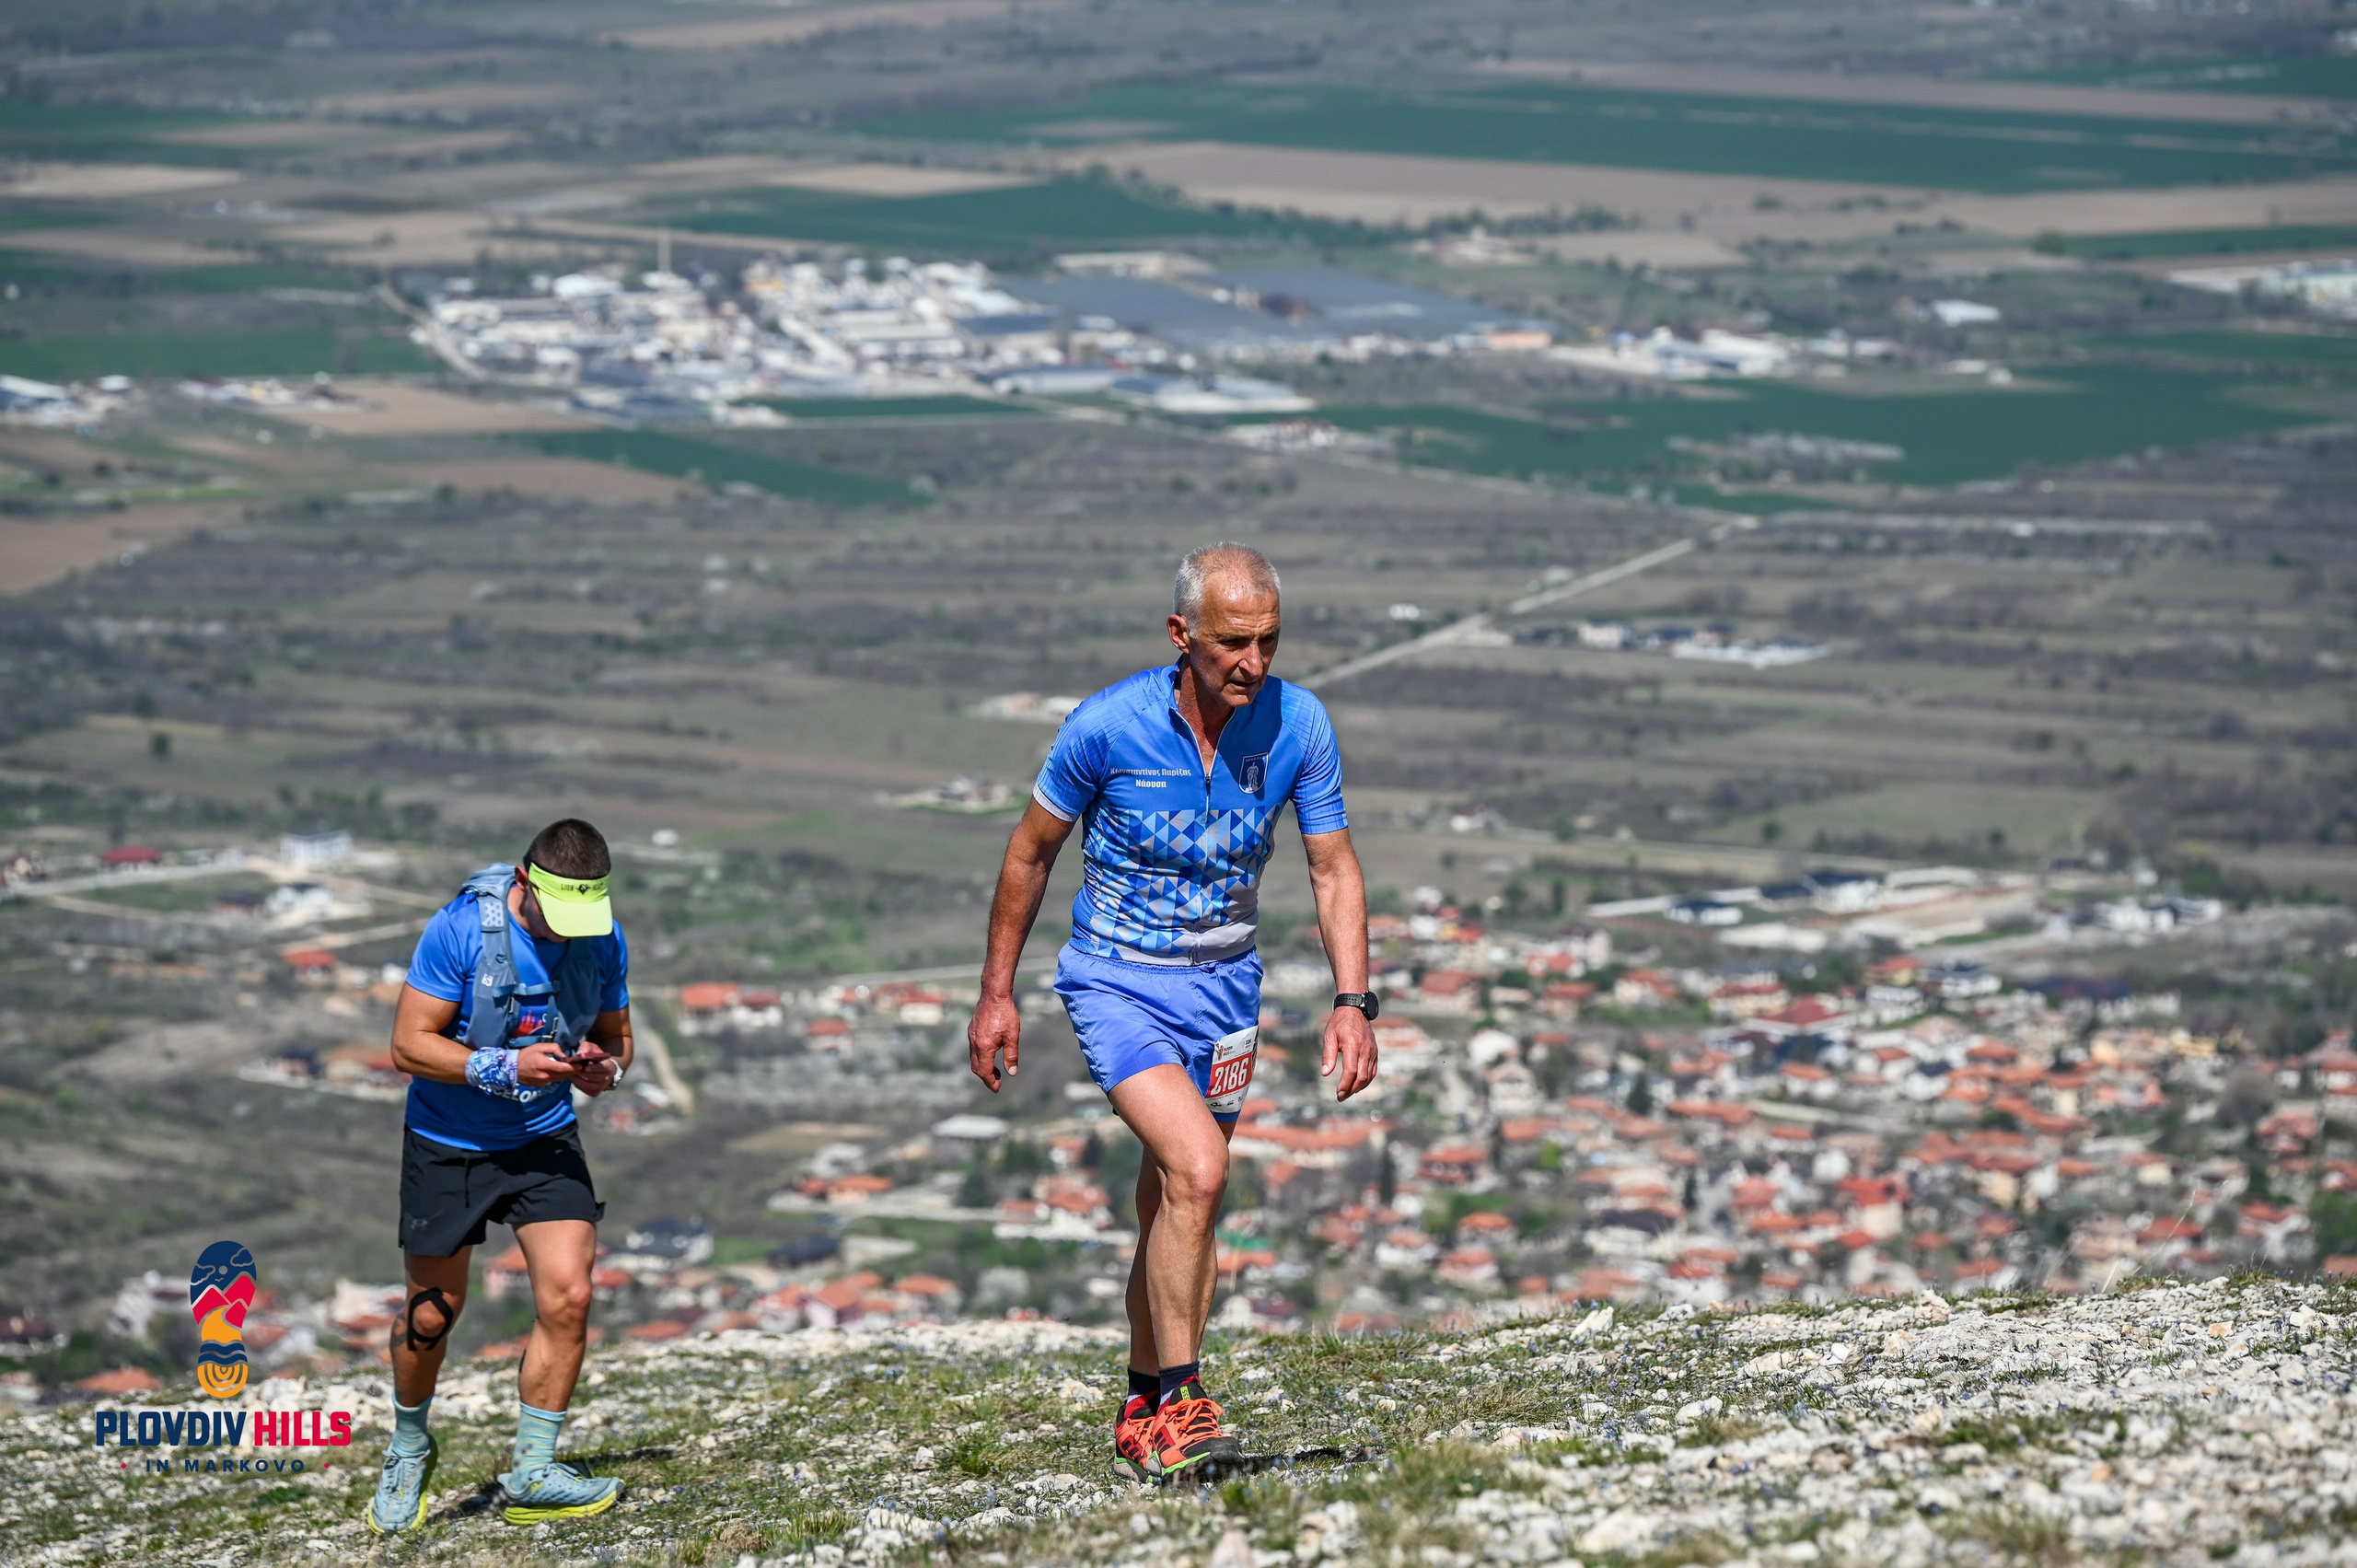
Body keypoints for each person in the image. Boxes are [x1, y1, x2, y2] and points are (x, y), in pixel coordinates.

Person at [967, 542, 1380, 1481]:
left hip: (1226, 990)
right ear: (1180, 634)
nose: (1255, 662)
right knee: (1200, 1168)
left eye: (1269, 640)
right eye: (1234, 642)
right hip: (1116, 980)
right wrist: (997, 993)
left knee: (1170, 1197)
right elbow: (1029, 852)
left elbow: (1332, 865)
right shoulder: (1106, 727)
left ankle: (1140, 1403)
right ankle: (1185, 1402)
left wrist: (1353, 1000)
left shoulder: (1298, 724)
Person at [366, 818, 634, 1534]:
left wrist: (605, 1070)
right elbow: (407, 1044)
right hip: (447, 1141)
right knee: (432, 1313)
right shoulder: (458, 930)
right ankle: (409, 1443)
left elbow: (617, 1037)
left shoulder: (602, 937)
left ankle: (536, 1470)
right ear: (524, 883)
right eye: (556, 916)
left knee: (571, 1294)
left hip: (544, 1136)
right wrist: (505, 1065)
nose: (566, 933)